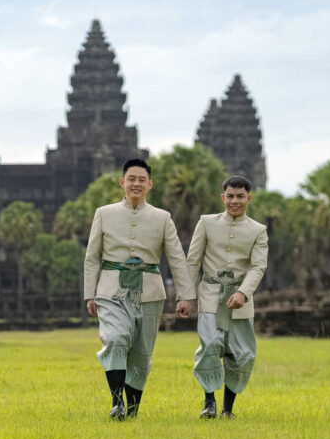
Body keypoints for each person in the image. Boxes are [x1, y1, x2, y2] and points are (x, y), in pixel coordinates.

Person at [83, 158, 190, 420]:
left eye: (142, 180)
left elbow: (176, 257)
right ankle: (117, 401)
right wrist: (89, 293)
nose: (136, 184)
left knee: (141, 355)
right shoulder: (104, 213)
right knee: (116, 338)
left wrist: (186, 295)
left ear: (149, 185)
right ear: (122, 182)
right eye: (131, 179)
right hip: (111, 289)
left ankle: (132, 410)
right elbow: (92, 256)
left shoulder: (162, 218)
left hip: (150, 291)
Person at [182, 176, 268, 419]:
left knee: (241, 354)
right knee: (210, 345)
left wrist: (243, 292)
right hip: (210, 296)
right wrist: (186, 297)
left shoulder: (258, 231)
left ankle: (227, 409)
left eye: (240, 196)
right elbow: (192, 261)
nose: (235, 201)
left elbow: (258, 267)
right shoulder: (206, 223)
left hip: (241, 301)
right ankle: (209, 402)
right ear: (223, 197)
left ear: (248, 198)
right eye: (230, 196)